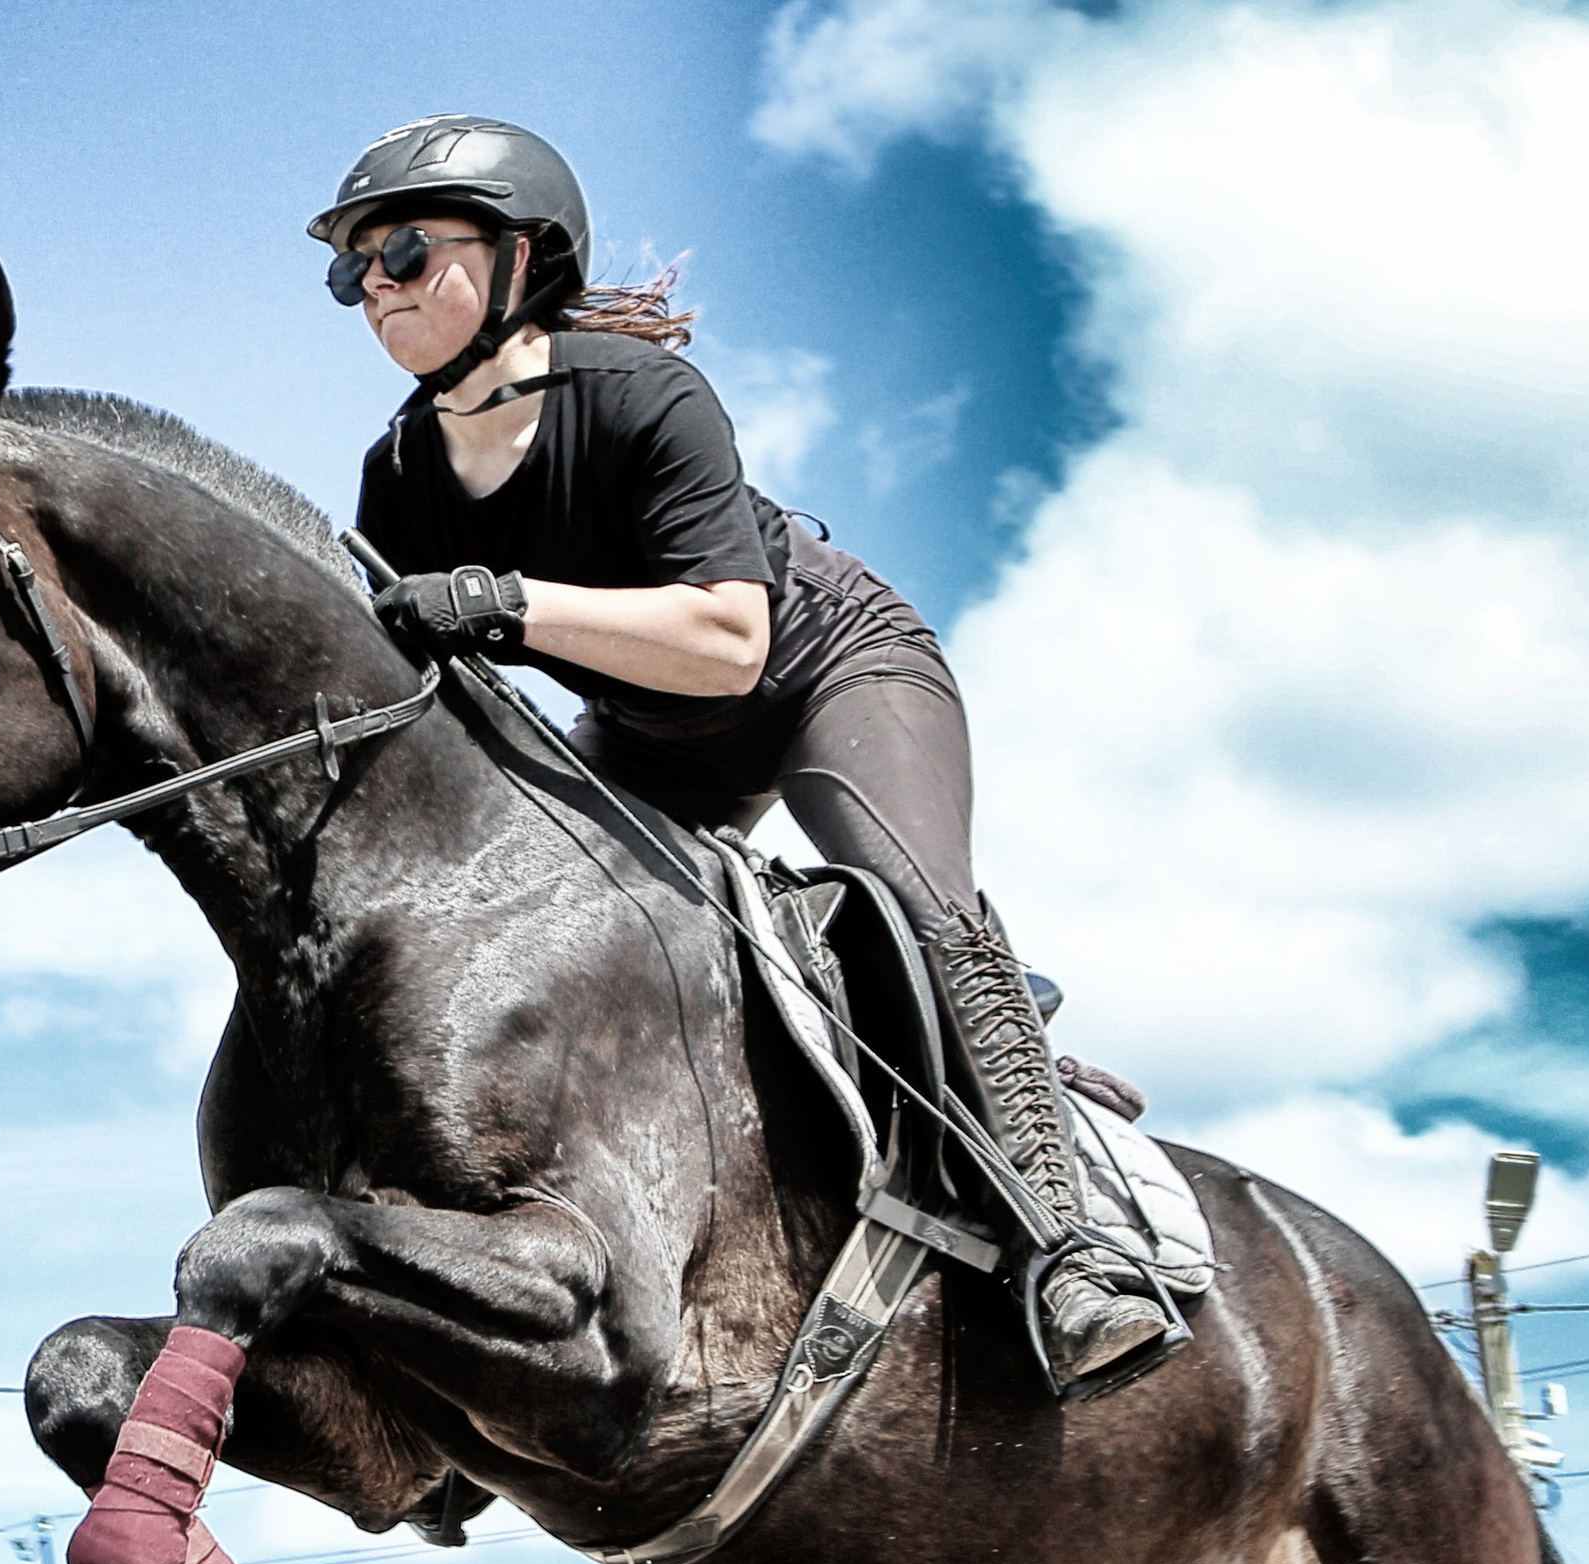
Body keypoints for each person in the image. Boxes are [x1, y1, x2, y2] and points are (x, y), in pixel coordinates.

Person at [313, 115, 1172, 1392]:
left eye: (405, 252)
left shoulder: (636, 394)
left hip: (825, 669)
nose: (374, 289)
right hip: (651, 732)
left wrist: (504, 603)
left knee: (912, 911)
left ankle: (1076, 1246)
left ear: (522, 258)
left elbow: (724, 638)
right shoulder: (397, 470)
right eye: (353, 270)